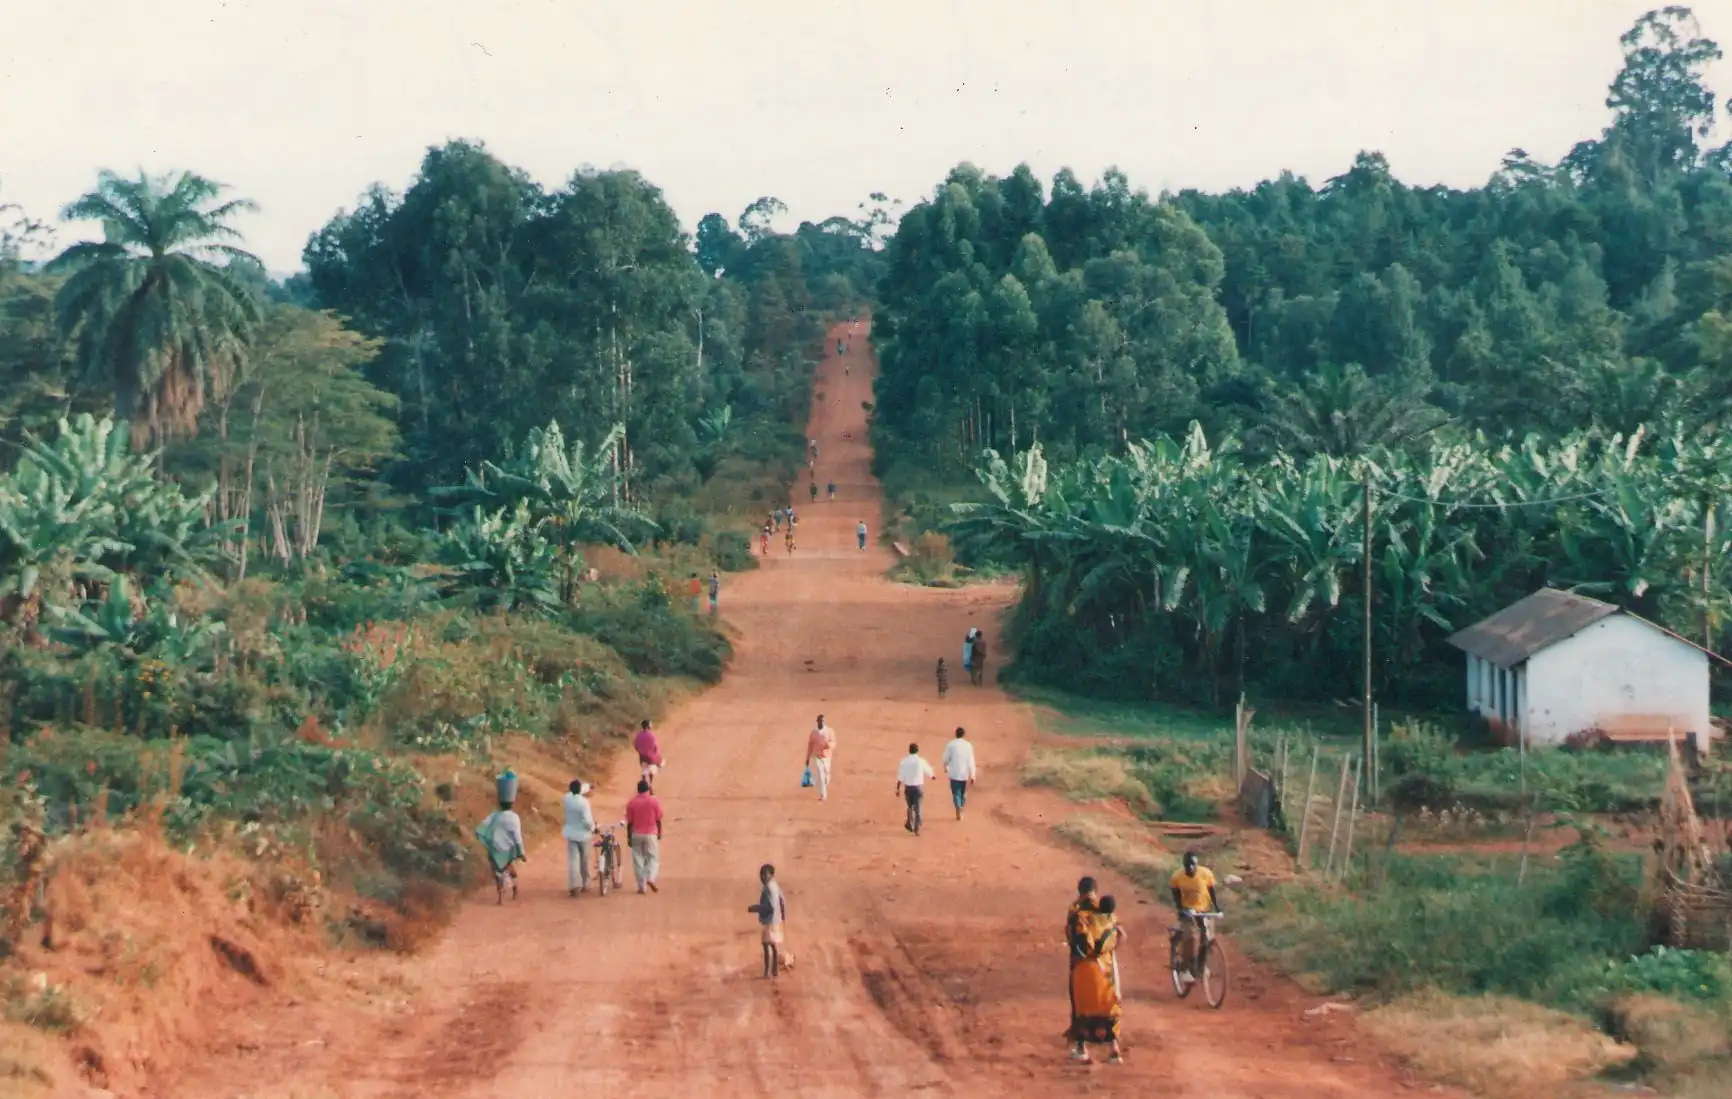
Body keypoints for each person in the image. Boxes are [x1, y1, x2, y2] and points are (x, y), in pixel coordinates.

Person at [1067, 894, 1126, 1063]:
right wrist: (1112, 948)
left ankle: (1081, 1048)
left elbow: (1077, 940)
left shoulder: (1086, 919)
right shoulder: (1113, 922)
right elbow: (1122, 937)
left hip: (1084, 969)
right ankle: (1114, 1049)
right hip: (1106, 970)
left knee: (1082, 1009)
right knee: (1110, 1009)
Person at [1170, 850, 1222, 985]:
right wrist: (1180, 909)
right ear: (1184, 865)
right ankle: (1185, 968)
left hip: (1204, 910)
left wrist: (1217, 908)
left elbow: (1211, 891)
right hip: (1188, 911)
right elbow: (1175, 894)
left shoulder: (1206, 874)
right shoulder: (1177, 877)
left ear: (1197, 864)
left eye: (1193, 865)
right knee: (1191, 937)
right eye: (1188, 865)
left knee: (1207, 937)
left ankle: (1200, 966)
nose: (1190, 868)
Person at [475, 799, 527, 901]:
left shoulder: (494, 816)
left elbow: (480, 829)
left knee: (497, 872)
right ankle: (514, 887)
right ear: (512, 804)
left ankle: (500, 897)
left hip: (495, 848)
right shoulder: (514, 817)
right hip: (508, 849)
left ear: (500, 805)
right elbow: (517, 836)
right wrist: (521, 852)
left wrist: (486, 840)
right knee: (509, 868)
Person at [749, 863, 789, 979]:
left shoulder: (768, 888)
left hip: (770, 920)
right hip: (776, 920)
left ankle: (768, 971)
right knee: (773, 946)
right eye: (761, 874)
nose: (762, 877)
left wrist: (755, 908)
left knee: (767, 945)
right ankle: (775, 970)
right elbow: (782, 901)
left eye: (764, 874)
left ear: (771, 875)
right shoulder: (775, 886)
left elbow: (770, 907)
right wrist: (783, 914)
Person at [624, 779, 663, 894]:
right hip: (651, 833)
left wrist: (629, 837)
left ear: (638, 790)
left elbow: (630, 822)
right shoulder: (654, 801)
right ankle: (650, 877)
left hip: (636, 833)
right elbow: (658, 819)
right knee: (653, 858)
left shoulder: (632, 802)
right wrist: (659, 832)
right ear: (648, 789)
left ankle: (641, 887)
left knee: (638, 860)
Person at [561, 779, 597, 896]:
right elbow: (587, 820)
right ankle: (585, 883)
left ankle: (574, 885)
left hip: (571, 833)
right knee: (584, 860)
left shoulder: (566, 799)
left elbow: (576, 790)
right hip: (584, 834)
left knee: (573, 861)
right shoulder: (584, 803)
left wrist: (587, 786)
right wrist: (593, 828)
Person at [894, 742, 935, 835]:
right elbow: (928, 770)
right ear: (917, 751)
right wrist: (932, 776)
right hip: (918, 787)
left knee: (910, 807)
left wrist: (897, 789)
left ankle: (910, 823)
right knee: (918, 807)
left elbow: (900, 777)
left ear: (909, 750)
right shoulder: (921, 761)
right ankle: (917, 827)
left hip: (908, 788)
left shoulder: (904, 761)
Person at [941, 726, 977, 820]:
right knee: (963, 793)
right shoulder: (968, 745)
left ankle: (958, 808)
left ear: (955, 734)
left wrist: (945, 766)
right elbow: (971, 761)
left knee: (956, 793)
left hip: (954, 773)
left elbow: (945, 758)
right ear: (964, 735)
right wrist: (972, 774)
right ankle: (960, 806)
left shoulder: (951, 744)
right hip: (965, 774)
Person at [805, 715, 836, 801]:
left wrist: (829, 745)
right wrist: (808, 758)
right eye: (820, 721)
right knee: (820, 775)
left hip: (827, 756)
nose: (822, 722)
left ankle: (824, 787)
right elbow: (810, 746)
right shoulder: (814, 733)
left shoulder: (829, 731)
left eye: (823, 721)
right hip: (817, 756)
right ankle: (823, 795)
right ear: (817, 721)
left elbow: (833, 742)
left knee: (826, 775)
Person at [634, 719, 664, 787]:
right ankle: (650, 784)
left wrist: (640, 751)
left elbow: (636, 745)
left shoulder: (638, 735)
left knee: (644, 770)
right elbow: (655, 747)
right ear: (648, 726)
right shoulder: (651, 735)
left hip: (642, 756)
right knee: (652, 770)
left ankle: (644, 784)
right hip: (651, 757)